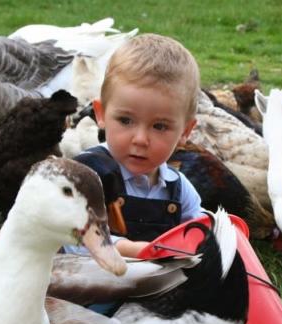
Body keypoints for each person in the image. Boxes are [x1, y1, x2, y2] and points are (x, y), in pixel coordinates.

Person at [64, 33, 204, 258]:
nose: (140, 139)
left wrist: (209, 237)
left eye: (159, 126)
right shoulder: (87, 175)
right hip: (86, 287)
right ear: (101, 114)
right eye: (125, 121)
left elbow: (198, 231)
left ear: (185, 132)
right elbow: (75, 239)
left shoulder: (178, 189)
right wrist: (138, 251)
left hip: (152, 287)